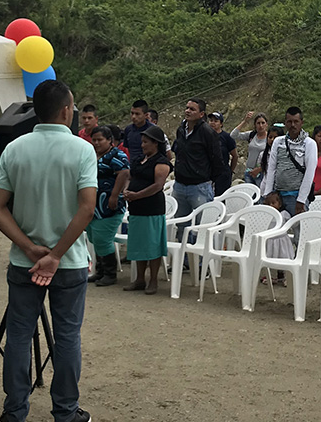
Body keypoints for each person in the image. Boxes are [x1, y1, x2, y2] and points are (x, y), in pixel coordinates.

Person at [0, 79, 98, 422]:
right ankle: (65, 415)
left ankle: (15, 414)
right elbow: (86, 208)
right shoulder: (82, 150)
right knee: (67, 336)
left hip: (25, 262)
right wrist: (56, 255)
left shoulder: (15, 148)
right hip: (68, 262)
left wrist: (29, 247)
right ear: (67, 110)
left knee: (19, 335)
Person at [123, 126, 172, 294]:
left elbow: (158, 185)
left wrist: (137, 195)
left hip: (152, 208)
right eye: (142, 142)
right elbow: (130, 177)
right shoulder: (139, 160)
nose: (142, 145)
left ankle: (153, 280)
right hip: (136, 208)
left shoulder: (161, 163)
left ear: (155, 143)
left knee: (152, 245)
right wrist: (127, 190)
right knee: (139, 243)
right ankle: (139, 279)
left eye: (146, 142)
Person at [86, 126, 129, 287]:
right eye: (94, 140)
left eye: (100, 140)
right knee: (94, 237)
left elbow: (124, 173)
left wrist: (114, 195)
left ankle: (110, 274)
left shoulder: (117, 155)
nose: (96, 143)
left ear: (110, 140)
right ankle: (101, 271)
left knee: (103, 238)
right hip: (93, 204)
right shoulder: (92, 154)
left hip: (109, 204)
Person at [171, 98, 223, 233]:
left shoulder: (207, 133)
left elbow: (217, 161)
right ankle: (184, 248)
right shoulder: (181, 130)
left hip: (199, 187)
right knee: (181, 225)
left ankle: (201, 248)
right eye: (187, 108)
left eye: (192, 109)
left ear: (201, 114)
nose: (188, 111)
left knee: (203, 227)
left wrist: (206, 178)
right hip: (180, 185)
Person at [260, 107, 318, 216]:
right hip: (277, 196)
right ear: (285, 123)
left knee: (297, 225)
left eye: (296, 121)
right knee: (275, 224)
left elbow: (310, 173)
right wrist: (268, 193)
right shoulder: (278, 142)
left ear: (301, 123)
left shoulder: (309, 144)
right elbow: (271, 168)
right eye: (289, 122)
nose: (293, 125)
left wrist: (301, 199)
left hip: (295, 196)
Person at [261, 191, 293, 285]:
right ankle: (273, 276)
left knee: (284, 258)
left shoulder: (284, 214)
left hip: (281, 241)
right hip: (270, 241)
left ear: (280, 204)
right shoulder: (266, 215)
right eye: (268, 204)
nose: (271, 205)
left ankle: (286, 277)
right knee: (270, 258)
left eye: (273, 203)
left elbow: (291, 223)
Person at [231, 112, 269, 185]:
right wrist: (245, 121)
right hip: (249, 171)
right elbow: (233, 135)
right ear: (255, 125)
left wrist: (260, 169)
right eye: (258, 123)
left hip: (261, 173)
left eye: (263, 123)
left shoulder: (270, 138)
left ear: (266, 124)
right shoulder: (252, 135)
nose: (261, 126)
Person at [207, 112, 238, 196]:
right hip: (207, 172)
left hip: (223, 173)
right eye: (211, 120)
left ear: (221, 124)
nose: (213, 123)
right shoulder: (205, 136)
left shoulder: (227, 137)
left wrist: (231, 170)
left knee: (221, 197)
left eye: (216, 121)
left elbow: (235, 156)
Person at [123, 99, 152, 164]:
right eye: (132, 113)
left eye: (137, 114)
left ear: (146, 115)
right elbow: (127, 149)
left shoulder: (153, 130)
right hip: (133, 166)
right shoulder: (128, 130)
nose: (133, 117)